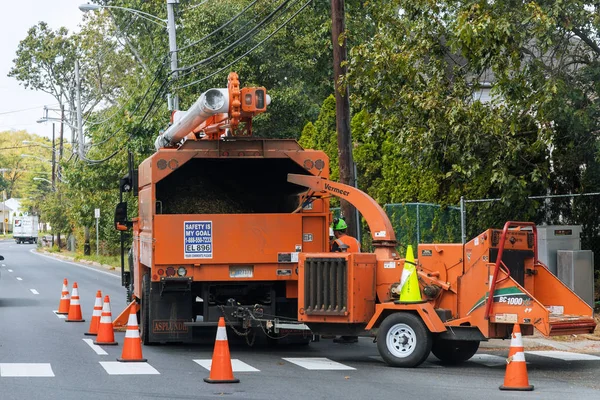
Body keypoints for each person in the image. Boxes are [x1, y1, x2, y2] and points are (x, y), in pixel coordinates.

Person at [330, 217, 360, 344]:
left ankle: (345, 334)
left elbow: (332, 260)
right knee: (353, 305)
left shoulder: (336, 243)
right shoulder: (356, 241)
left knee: (342, 305)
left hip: (342, 276)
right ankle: (353, 335)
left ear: (337, 232)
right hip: (357, 274)